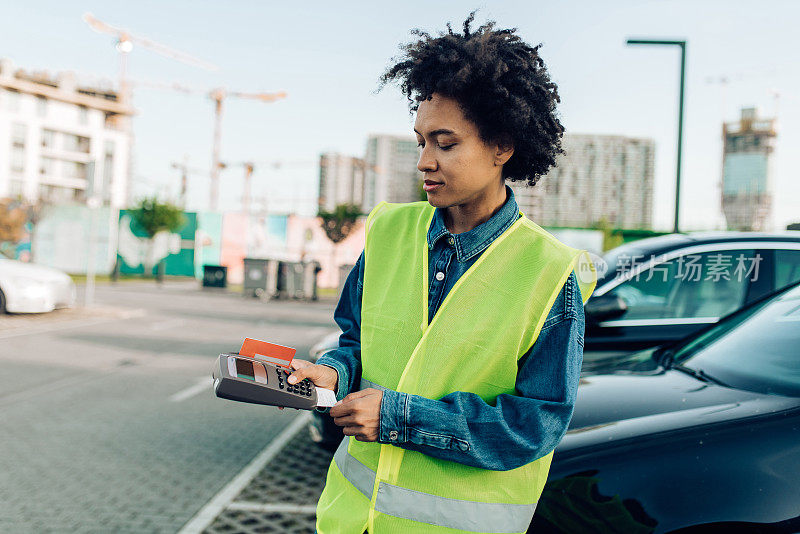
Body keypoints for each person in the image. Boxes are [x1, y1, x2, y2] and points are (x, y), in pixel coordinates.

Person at [288, 11, 596, 534]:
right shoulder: (388, 232)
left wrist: (401, 419)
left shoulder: (550, 272)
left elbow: (535, 424)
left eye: (446, 143)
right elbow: (357, 342)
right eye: (421, 141)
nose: (425, 161)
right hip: (348, 521)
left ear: (502, 146)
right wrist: (334, 373)